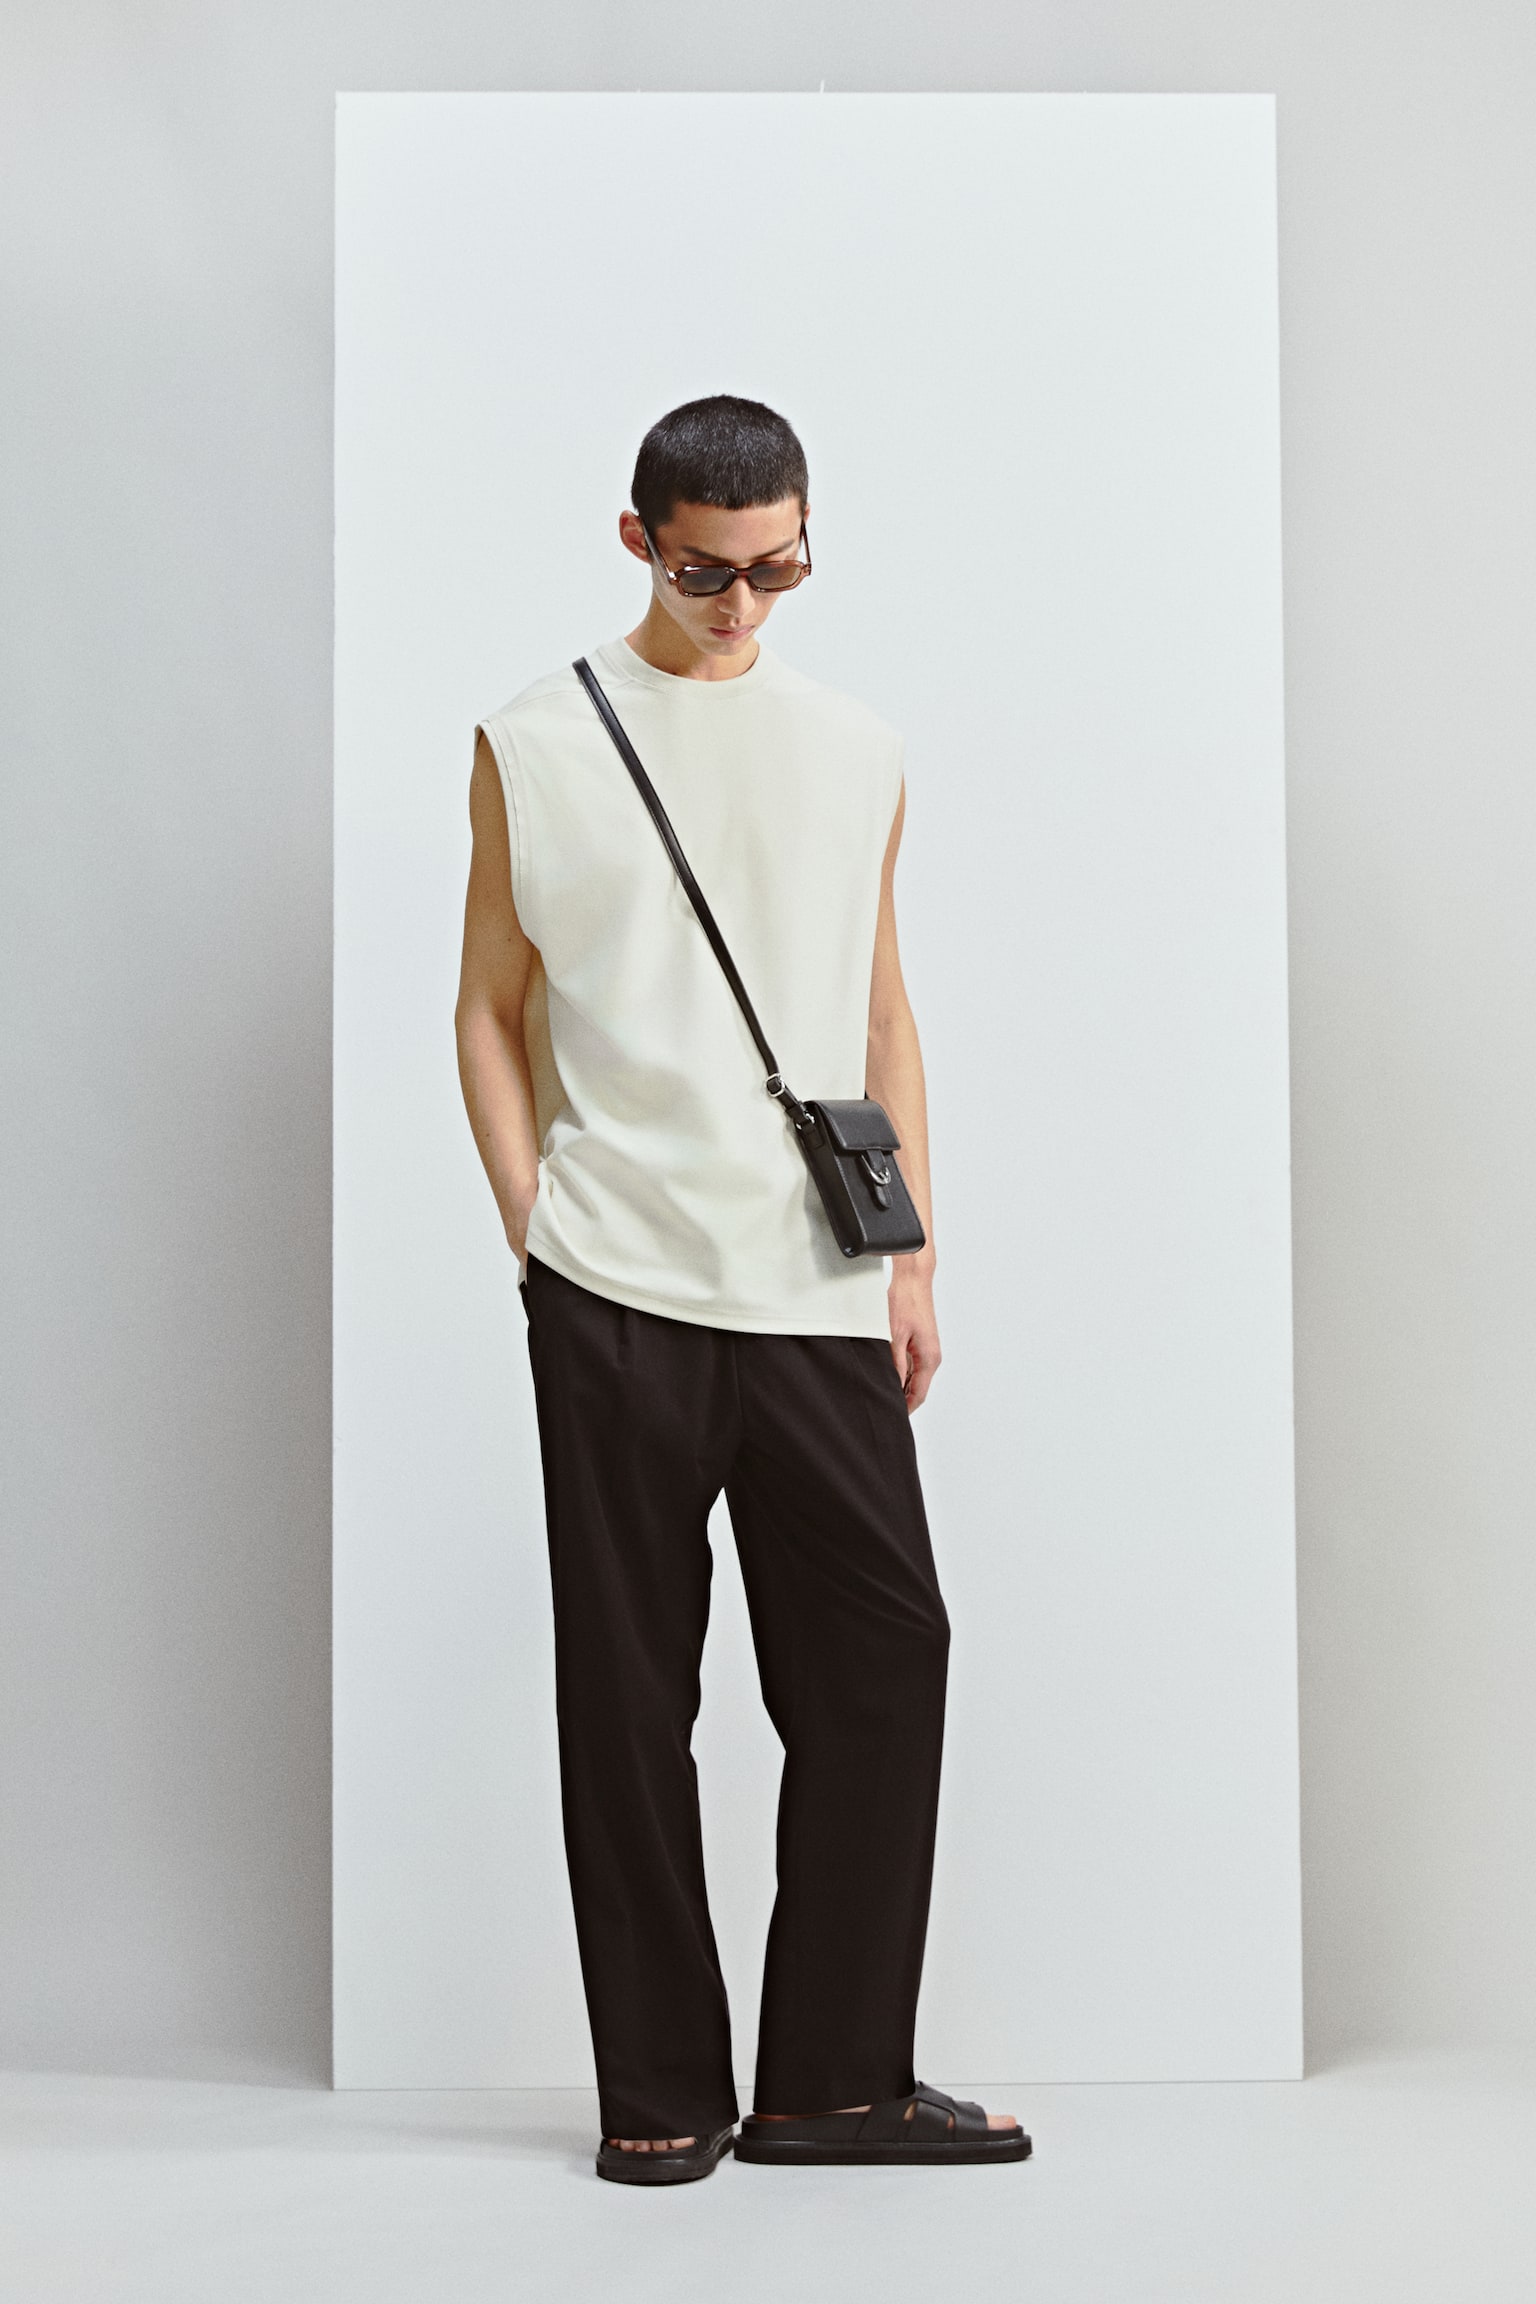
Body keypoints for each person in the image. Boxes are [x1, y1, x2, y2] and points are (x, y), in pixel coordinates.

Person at [455, 394, 1029, 2185]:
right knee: (630, 1695)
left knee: (886, 1658)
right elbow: (488, 1006)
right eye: (709, 570)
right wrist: (535, 1225)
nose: (742, 605)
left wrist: (912, 1251)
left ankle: (831, 2086)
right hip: (615, 1281)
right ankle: (659, 2100)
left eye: (779, 568)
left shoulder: (855, 748)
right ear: (640, 540)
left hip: (812, 1287)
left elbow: (880, 1012)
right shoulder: (536, 740)